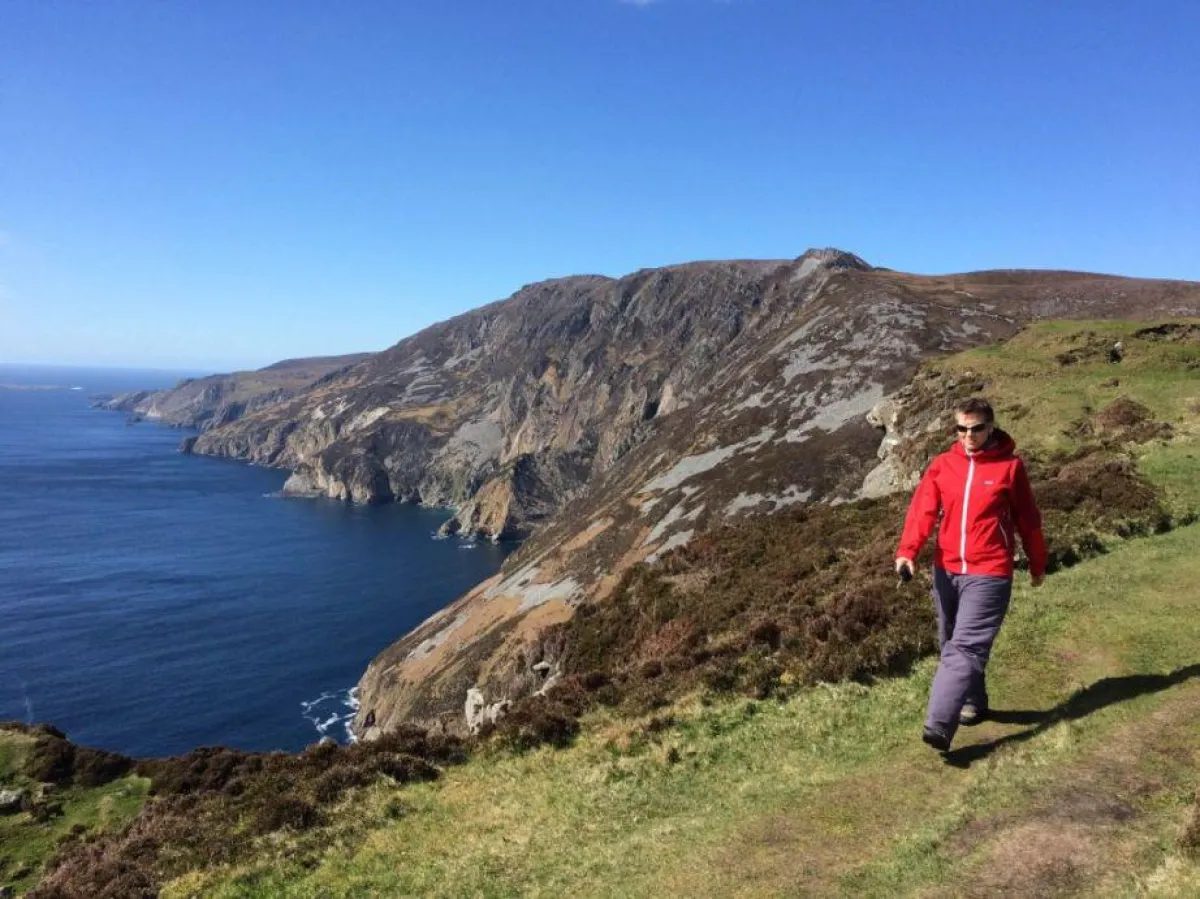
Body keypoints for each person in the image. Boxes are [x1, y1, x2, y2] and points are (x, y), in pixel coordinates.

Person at [894, 397, 1048, 752]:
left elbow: (1029, 520)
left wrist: (1037, 563)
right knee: (951, 642)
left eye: (976, 428)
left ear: (991, 427)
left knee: (963, 649)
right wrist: (907, 552)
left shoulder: (1010, 468)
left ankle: (938, 724)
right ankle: (974, 703)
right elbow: (923, 511)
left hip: (990, 571)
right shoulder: (943, 465)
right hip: (946, 570)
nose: (969, 436)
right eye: (961, 429)